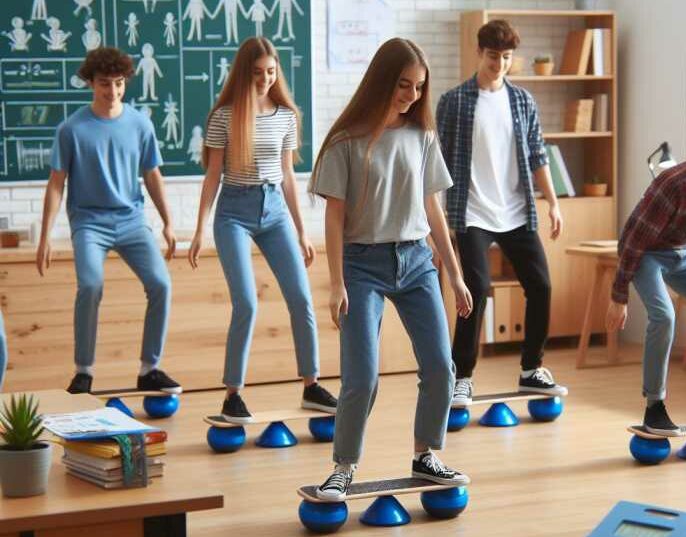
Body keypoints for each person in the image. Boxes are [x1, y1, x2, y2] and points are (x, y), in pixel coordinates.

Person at [309, 38, 472, 501]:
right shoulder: (346, 142)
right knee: (362, 377)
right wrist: (336, 282)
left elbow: (434, 208)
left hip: (418, 261)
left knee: (441, 367)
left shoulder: (421, 136)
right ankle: (343, 466)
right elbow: (335, 217)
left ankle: (426, 455)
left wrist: (455, 274)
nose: (412, 95)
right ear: (383, 81)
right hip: (362, 265)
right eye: (404, 85)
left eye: (419, 87)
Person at [189, 37, 336, 423]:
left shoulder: (286, 116)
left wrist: (303, 231)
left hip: (274, 212)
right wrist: (199, 229)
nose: (265, 80)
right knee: (247, 302)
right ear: (243, 73)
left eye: (271, 72)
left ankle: (312, 385)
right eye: (257, 73)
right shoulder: (224, 115)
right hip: (233, 212)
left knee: (301, 299)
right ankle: (232, 394)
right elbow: (212, 175)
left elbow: (289, 176)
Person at [436, 19, 568, 405]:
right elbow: (438, 161)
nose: (500, 65)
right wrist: (435, 218)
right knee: (475, 290)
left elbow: (537, 155)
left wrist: (553, 203)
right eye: (493, 56)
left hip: (516, 210)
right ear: (479, 53)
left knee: (541, 285)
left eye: (507, 57)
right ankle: (462, 376)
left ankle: (531, 368)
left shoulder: (523, 101)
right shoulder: (454, 102)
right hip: (471, 211)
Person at [36, 47, 182, 396]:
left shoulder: (140, 123)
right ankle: (83, 371)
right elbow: (56, 184)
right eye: (105, 84)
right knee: (90, 285)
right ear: (90, 83)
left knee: (161, 284)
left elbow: (152, 175)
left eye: (119, 84)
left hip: (130, 219)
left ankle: (150, 369)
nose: (113, 91)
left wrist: (167, 222)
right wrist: (45, 238)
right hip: (89, 223)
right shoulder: (71, 129)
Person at [606, 126, 686, 434]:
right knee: (664, 316)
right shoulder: (676, 183)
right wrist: (618, 296)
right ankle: (654, 407)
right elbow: (633, 239)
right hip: (648, 251)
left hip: (685, 250)